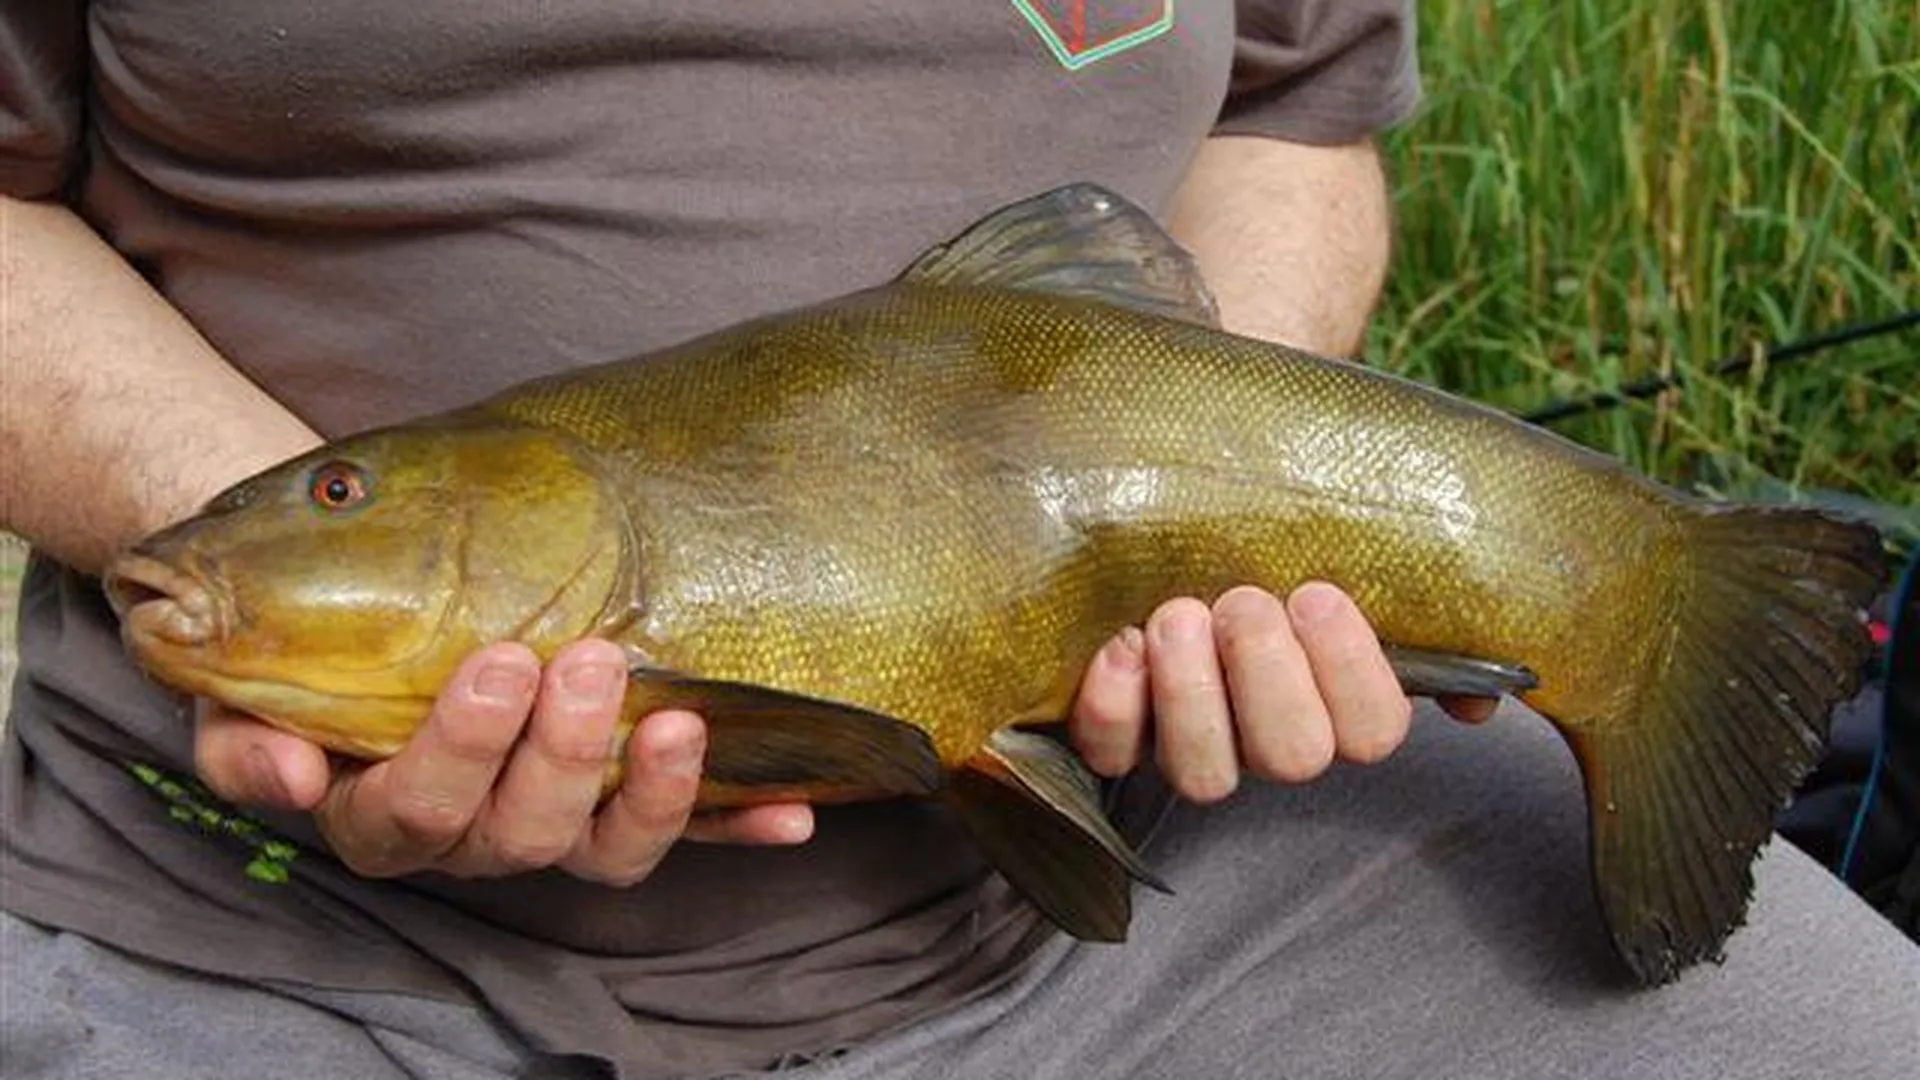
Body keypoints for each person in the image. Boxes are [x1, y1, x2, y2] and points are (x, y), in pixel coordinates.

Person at [1, 3, 1913, 1078]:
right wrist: (302, 528)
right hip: (259, 942)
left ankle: (1672, 609)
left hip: (1166, 882)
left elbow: (1296, 108)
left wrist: (1211, 532)